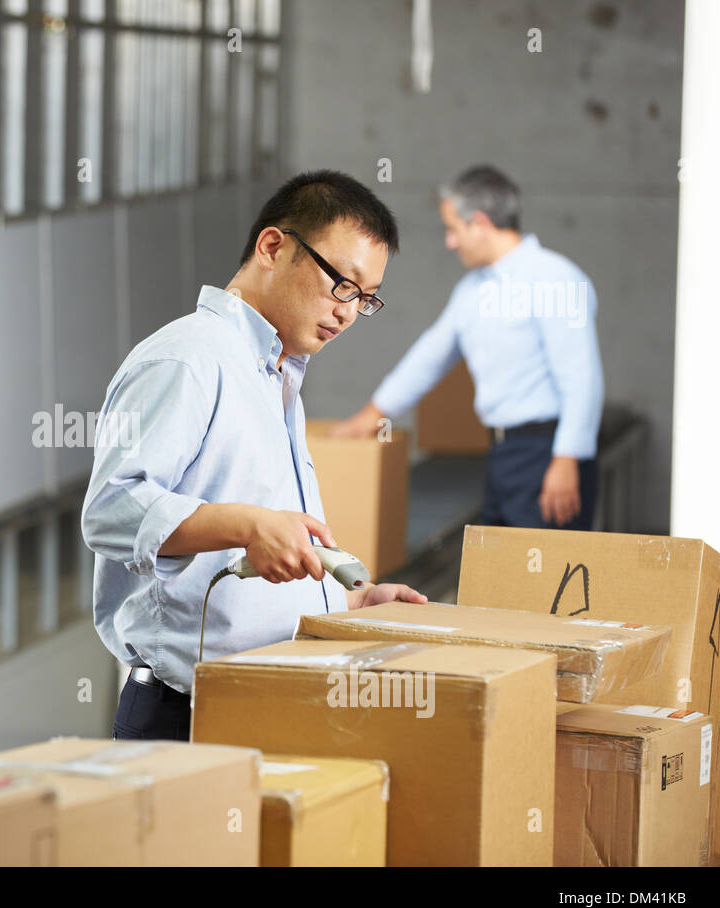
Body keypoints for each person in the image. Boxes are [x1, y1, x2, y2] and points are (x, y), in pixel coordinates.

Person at [82, 170, 428, 742]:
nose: (347, 312)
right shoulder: (189, 359)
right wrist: (247, 527)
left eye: (365, 300)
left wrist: (352, 599)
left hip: (268, 700)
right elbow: (113, 509)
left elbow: (263, 555)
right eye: (343, 283)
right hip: (188, 715)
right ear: (273, 246)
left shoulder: (275, 373)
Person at [334, 165, 603, 530]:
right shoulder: (472, 291)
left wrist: (567, 458)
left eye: (452, 229)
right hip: (503, 455)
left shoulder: (555, 279)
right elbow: (429, 357)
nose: (450, 242)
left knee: (546, 583)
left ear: (479, 222)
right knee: (499, 579)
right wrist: (373, 414)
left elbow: (581, 377)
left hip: (550, 455)